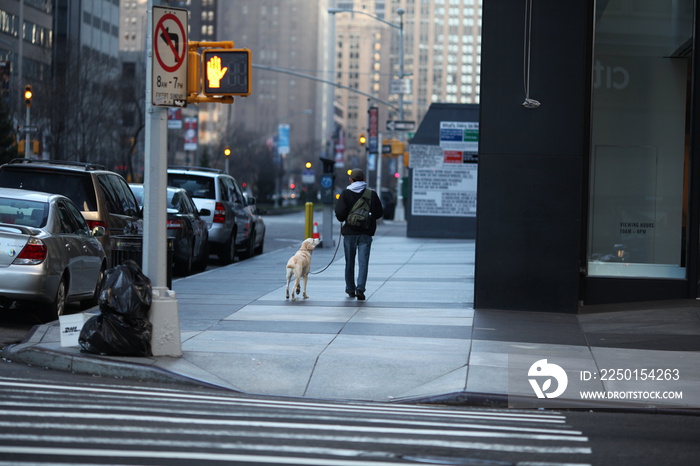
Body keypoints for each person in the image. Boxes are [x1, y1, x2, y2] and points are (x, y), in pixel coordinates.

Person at [335, 168, 384, 300]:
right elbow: (379, 213)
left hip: (349, 234)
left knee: (349, 262)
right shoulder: (371, 194)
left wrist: (347, 218)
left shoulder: (345, 193)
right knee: (363, 263)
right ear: (364, 179)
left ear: (350, 179)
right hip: (366, 234)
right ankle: (360, 289)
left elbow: (339, 215)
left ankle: (350, 289)